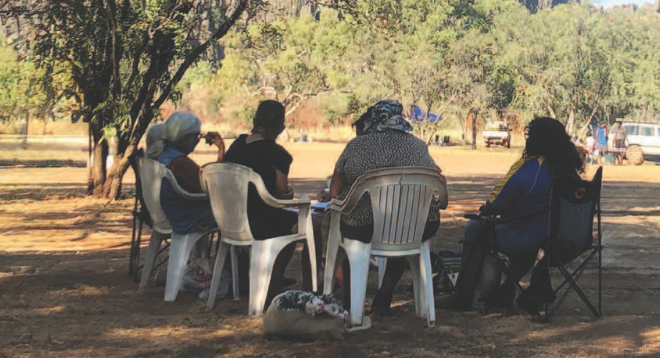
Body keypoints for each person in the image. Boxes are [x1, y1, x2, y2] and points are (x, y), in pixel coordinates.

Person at [441, 117, 585, 312]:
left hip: (534, 240)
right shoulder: (568, 171)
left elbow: (497, 204)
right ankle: (504, 293)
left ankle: (462, 296)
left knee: (477, 227)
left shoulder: (534, 168)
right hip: (568, 241)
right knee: (532, 233)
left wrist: (490, 210)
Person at [327, 99, 444, 316]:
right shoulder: (419, 146)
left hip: (364, 226)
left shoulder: (357, 145)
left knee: (353, 242)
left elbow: (334, 192)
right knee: (401, 232)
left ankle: (352, 300)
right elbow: (437, 176)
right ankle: (385, 294)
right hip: (416, 226)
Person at [222, 100, 321, 304]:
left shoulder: (236, 145)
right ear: (281, 127)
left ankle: (273, 280)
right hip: (262, 222)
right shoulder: (278, 154)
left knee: (288, 223)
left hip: (232, 220)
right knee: (310, 225)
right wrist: (287, 194)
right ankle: (306, 288)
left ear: (256, 120)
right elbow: (280, 195)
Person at [152, 112, 226, 290]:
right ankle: (216, 270)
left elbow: (198, 175)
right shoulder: (179, 161)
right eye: (196, 136)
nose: (198, 140)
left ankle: (200, 268)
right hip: (184, 216)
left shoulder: (164, 153)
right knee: (230, 216)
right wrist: (221, 151)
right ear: (184, 137)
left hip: (169, 211)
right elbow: (206, 186)